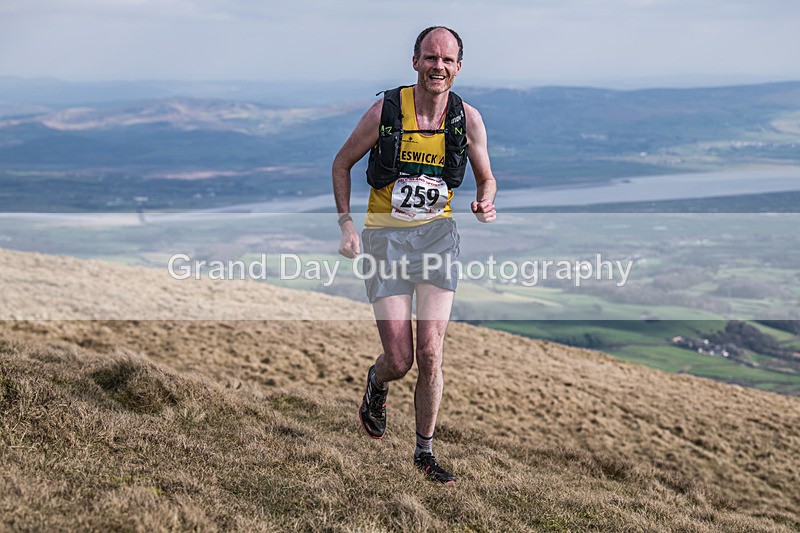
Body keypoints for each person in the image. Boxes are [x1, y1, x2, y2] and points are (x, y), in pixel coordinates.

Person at [332, 26, 497, 485]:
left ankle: (424, 452)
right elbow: (341, 163)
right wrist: (346, 225)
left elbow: (487, 177)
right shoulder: (385, 111)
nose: (437, 66)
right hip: (384, 241)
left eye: (446, 60)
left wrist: (486, 201)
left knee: (430, 352)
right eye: (429, 57)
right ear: (415, 62)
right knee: (400, 359)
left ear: (458, 67)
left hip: (436, 239)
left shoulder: (468, 119)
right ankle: (377, 380)